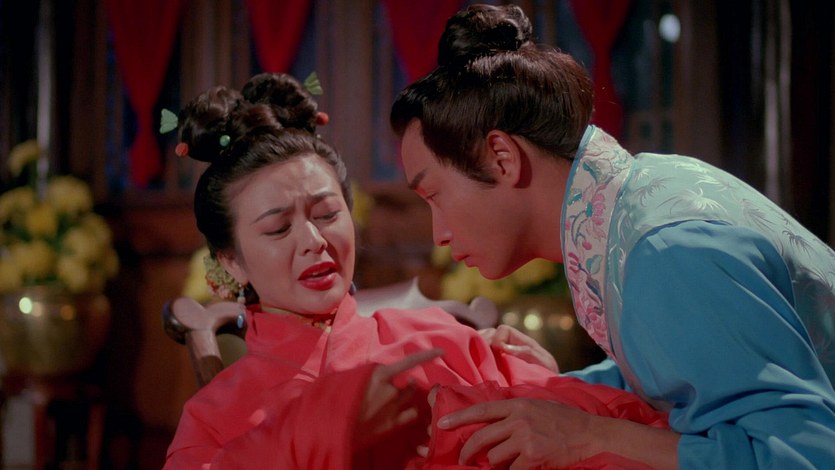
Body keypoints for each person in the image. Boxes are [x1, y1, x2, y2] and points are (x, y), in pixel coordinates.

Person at [390, 4, 835, 469]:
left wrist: (587, 434)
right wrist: (564, 387)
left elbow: (808, 454)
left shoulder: (665, 250)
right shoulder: (638, 202)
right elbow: (688, 382)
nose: (439, 234)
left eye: (434, 195)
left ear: (502, 157)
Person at [162, 72, 669, 469]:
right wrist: (323, 430)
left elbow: (601, 432)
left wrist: (547, 386)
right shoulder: (215, 414)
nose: (313, 241)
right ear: (231, 260)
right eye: (277, 229)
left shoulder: (445, 341)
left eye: (327, 214)